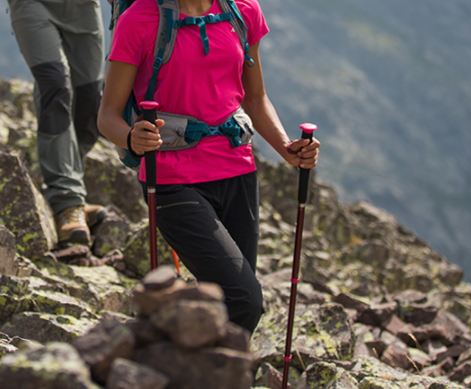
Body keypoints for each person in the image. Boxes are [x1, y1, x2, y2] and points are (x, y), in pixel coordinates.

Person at [97, 0, 320, 333]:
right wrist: (132, 139)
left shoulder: (243, 11)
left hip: (238, 172)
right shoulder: (139, 19)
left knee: (231, 306)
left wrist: (287, 148)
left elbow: (255, 99)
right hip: (171, 180)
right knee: (244, 300)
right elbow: (107, 116)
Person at [7, 0, 106, 244]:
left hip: (83, 7)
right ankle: (67, 201)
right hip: (32, 4)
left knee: (90, 98)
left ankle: (69, 187)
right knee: (55, 85)